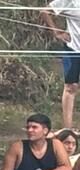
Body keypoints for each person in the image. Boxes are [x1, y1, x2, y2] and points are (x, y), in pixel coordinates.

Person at [44, 1, 80, 130]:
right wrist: (57, 32)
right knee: (71, 87)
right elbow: (45, 11)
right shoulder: (69, 1)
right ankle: (68, 130)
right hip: (73, 48)